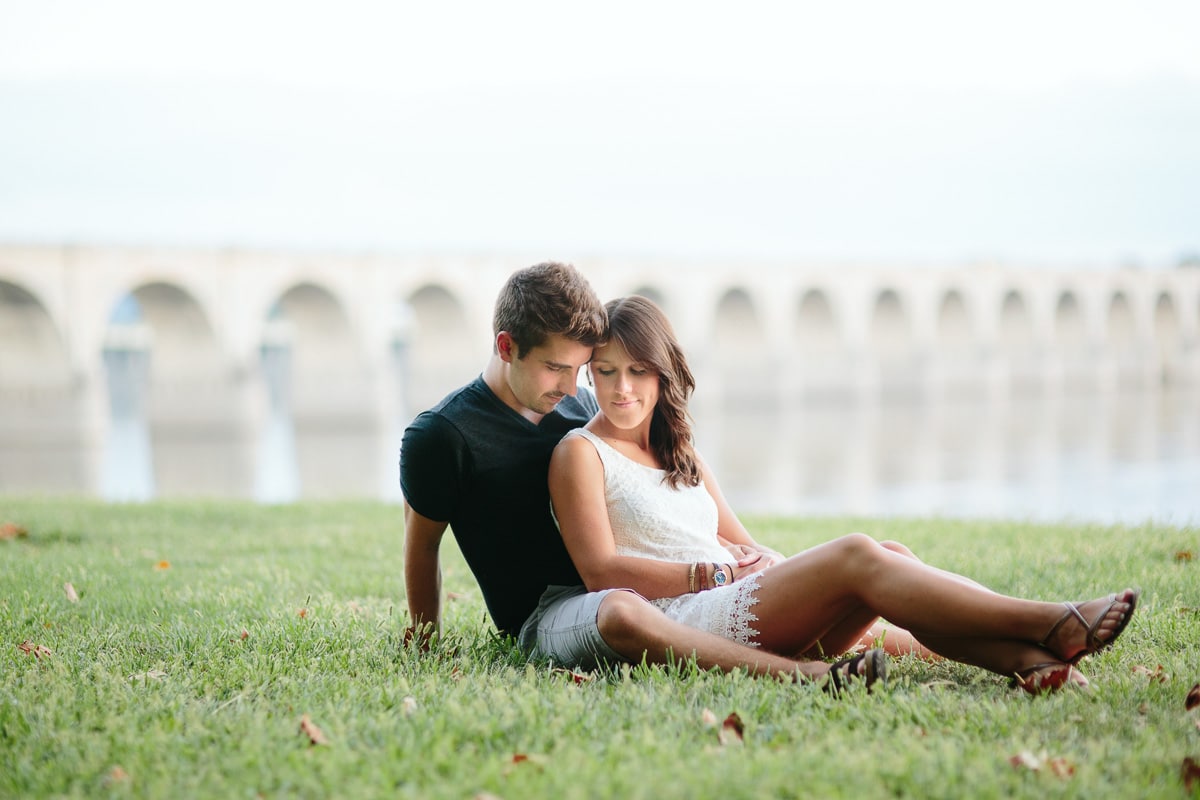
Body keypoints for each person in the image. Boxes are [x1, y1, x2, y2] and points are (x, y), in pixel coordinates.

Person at [547, 295, 1140, 693]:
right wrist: (710, 576)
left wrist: (764, 567)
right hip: (686, 615)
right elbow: (601, 571)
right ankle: (1047, 621)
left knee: (893, 556)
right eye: (605, 372)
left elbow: (741, 542)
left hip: (739, 592)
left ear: (661, 373)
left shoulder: (681, 451)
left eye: (637, 371)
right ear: (590, 375)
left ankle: (1027, 661)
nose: (621, 389)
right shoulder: (580, 452)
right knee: (859, 553)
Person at [400, 262, 874, 689]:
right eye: (554, 369)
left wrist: (728, 552)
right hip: (556, 611)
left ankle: (914, 634)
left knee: (825, 593)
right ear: (506, 346)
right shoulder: (444, 435)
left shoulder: (577, 410)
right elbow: (422, 546)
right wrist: (425, 645)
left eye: (581, 370)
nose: (571, 387)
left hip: (636, 590)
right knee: (624, 610)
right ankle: (799, 675)